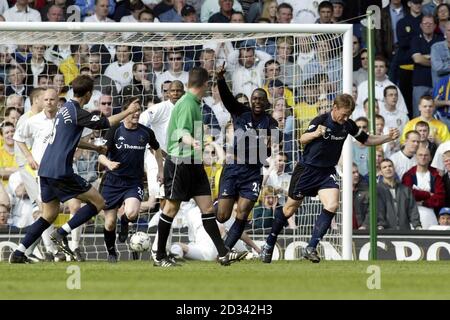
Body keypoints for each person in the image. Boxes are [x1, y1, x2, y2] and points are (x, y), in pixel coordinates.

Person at [9, 75, 140, 263]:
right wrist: (128, 111)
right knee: (99, 202)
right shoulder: (78, 112)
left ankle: (19, 252)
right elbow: (106, 123)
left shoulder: (64, 110)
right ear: (88, 94)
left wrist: (95, 148)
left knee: (49, 214)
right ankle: (62, 233)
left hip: (45, 169)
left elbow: (72, 139)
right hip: (61, 171)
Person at [259, 94, 400, 263]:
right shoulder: (321, 120)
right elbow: (302, 138)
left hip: (326, 171)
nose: (345, 118)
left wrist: (387, 137)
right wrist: (315, 133)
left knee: (332, 204)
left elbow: (367, 139)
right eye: (343, 114)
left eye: (348, 114)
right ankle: (269, 243)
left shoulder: (348, 125)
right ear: (334, 108)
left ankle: (311, 247)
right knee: (289, 209)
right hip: (307, 170)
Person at [154, 67, 247, 267]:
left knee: (207, 208)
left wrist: (203, 144)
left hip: (194, 163)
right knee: (171, 208)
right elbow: (181, 132)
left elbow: (193, 132)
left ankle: (222, 253)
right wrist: (193, 142)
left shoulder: (195, 103)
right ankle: (160, 255)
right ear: (205, 84)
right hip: (181, 161)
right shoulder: (188, 103)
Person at [215, 63, 279, 252]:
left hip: (252, 172)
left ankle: (224, 251)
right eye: (254, 99)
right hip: (234, 167)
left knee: (243, 213)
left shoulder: (271, 123)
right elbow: (227, 99)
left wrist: (266, 146)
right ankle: (214, 205)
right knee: (222, 217)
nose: (257, 101)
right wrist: (220, 79)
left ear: (266, 103)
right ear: (250, 101)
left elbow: (269, 150)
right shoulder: (240, 112)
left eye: (261, 99)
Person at [99, 97, 163, 263]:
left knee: (132, 213)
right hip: (113, 182)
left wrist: (160, 170)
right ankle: (112, 253)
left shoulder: (145, 132)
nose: (136, 114)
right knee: (110, 223)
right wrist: (108, 163)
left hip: (133, 182)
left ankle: (125, 221)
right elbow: (100, 155)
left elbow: (157, 150)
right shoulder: (115, 130)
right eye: (133, 111)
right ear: (126, 112)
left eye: (138, 111)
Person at [377, 159, 422, 231]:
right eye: (384, 167)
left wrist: (417, 225)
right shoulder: (377, 190)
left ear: (394, 169)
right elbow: (378, 210)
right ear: (381, 172)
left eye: (390, 166)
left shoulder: (405, 189)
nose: (388, 168)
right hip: (385, 231)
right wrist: (380, 225)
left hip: (404, 230)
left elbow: (412, 209)